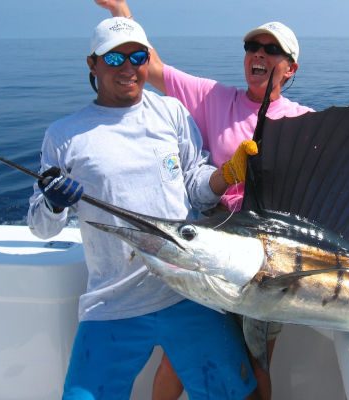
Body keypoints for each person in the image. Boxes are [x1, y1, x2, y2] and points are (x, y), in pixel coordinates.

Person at [27, 16, 259, 400]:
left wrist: (224, 176)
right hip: (112, 302)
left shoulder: (171, 113)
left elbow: (195, 190)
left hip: (187, 290)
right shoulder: (65, 135)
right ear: (93, 64)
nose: (128, 68)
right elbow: (42, 229)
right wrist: (52, 204)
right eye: (114, 59)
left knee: (239, 395)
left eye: (137, 56)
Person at [94, 2, 314, 399]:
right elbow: (153, 67)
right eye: (252, 46)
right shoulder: (214, 97)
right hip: (210, 247)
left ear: (290, 67)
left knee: (256, 358)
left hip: (270, 261)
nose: (259, 54)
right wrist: (121, 10)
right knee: (178, 359)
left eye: (272, 50)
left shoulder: (307, 122)